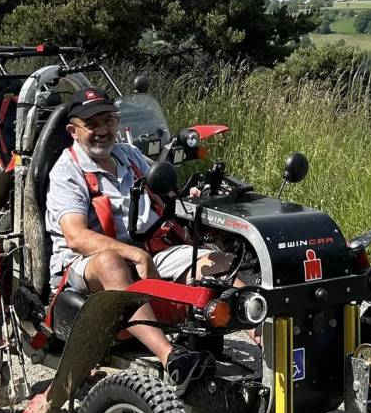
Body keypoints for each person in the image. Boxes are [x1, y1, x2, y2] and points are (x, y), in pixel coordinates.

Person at [45, 87, 232, 392]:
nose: (103, 131)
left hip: (147, 249)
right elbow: (76, 236)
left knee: (222, 265)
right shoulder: (67, 171)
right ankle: (172, 358)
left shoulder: (129, 157)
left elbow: (164, 194)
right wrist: (136, 256)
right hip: (82, 267)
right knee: (111, 261)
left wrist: (188, 198)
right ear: (73, 131)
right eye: (92, 124)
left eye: (108, 121)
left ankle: (275, 352)